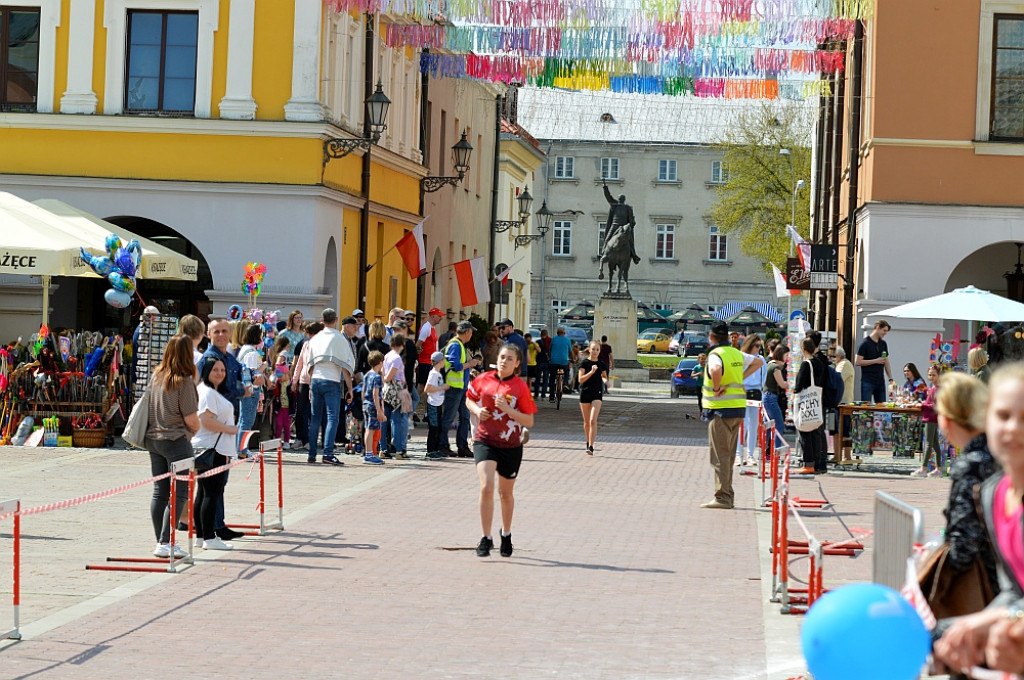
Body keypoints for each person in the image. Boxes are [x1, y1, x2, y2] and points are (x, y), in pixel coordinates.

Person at [932, 364, 1024, 675]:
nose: (1012, 428)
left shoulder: (976, 475)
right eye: (1002, 416)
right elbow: (1014, 590)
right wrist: (972, 624)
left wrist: (1001, 622)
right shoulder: (993, 492)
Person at [465, 343, 537, 557]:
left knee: (505, 493)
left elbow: (529, 420)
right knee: (486, 486)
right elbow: (470, 398)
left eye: (509, 358)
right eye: (502, 356)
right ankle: (486, 538)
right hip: (485, 440)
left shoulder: (520, 387)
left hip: (511, 444)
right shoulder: (483, 379)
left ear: (517, 364)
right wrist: (478, 410)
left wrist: (508, 410)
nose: (503, 361)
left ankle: (506, 534)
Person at [934, 371, 1000, 598]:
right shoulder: (1000, 455)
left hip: (987, 591)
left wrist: (930, 562)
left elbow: (963, 550)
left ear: (946, 418)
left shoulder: (970, 466)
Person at [144, 334, 199, 558]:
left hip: (153, 439)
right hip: (176, 440)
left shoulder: (157, 376)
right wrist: (194, 430)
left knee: (160, 493)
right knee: (180, 493)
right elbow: (191, 418)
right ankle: (166, 541)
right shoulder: (183, 381)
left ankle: (162, 541)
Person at [700, 321, 763, 510]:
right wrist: (739, 377)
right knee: (727, 453)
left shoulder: (715, 355)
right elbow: (758, 362)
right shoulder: (736, 353)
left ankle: (723, 497)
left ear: (711, 337)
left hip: (720, 410)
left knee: (720, 456)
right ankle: (728, 494)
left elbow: (715, 370)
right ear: (728, 337)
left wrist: (717, 387)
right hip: (737, 409)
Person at [190, 358, 240, 550]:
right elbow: (206, 421)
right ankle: (209, 537)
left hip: (208, 447)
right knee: (211, 492)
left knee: (203, 492)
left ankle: (202, 536)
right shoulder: (208, 393)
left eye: (222, 370)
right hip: (213, 449)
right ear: (206, 371)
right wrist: (231, 430)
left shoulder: (206, 391)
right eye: (215, 370)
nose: (220, 373)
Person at [305, 308, 354, 466]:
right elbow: (346, 367)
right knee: (333, 418)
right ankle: (327, 453)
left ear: (322, 320)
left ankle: (312, 454)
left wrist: (312, 386)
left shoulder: (315, 339)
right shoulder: (340, 338)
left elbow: (310, 365)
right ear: (336, 319)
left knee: (315, 419)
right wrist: (350, 389)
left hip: (316, 380)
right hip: (332, 381)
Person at [441, 321, 481, 457]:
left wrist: (468, 369)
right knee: (449, 417)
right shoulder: (455, 345)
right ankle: (443, 445)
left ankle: (462, 446)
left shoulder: (460, 345)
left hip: (461, 387)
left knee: (465, 417)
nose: (472, 334)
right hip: (454, 387)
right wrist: (470, 364)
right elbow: (455, 366)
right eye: (471, 332)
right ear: (466, 332)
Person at [794, 336, 829, 475]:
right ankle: (819, 463)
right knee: (816, 432)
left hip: (806, 401)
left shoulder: (806, 364)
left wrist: (794, 392)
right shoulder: (820, 363)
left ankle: (808, 463)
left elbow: (799, 385)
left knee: (804, 430)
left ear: (803, 349)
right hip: (818, 400)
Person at [235, 323, 267, 452]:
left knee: (243, 419)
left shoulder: (245, 349)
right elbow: (252, 374)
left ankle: (240, 448)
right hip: (251, 390)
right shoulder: (252, 353)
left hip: (246, 389)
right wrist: (263, 366)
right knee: (247, 420)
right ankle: (242, 450)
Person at [289, 321, 320, 451]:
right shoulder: (305, 344)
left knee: (312, 413)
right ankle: (300, 438)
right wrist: (294, 380)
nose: (307, 335)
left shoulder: (320, 346)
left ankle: (309, 440)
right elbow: (299, 363)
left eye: (309, 333)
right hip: (303, 381)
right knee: (300, 412)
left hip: (314, 382)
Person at [736, 334, 766, 467]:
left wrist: (761, 392)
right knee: (742, 425)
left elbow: (763, 377)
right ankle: (738, 454)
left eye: (760, 346)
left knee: (753, 425)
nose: (759, 349)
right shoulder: (742, 357)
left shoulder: (761, 360)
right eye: (757, 346)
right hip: (742, 392)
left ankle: (750, 454)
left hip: (756, 393)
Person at [380, 333, 410, 460]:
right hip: (396, 391)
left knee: (384, 421)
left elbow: (382, 372)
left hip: (386, 391)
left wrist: (384, 380)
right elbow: (389, 375)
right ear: (401, 344)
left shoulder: (387, 356)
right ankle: (398, 450)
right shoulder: (397, 358)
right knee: (396, 420)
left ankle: (383, 448)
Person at [911, 364, 944, 477]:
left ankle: (923, 468)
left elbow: (935, 405)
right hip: (932, 417)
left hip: (931, 417)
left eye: (933, 375)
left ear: (939, 376)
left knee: (929, 443)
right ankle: (938, 468)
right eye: (929, 375)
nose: (931, 377)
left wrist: (922, 405)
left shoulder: (937, 389)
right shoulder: (933, 388)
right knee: (935, 444)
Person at [578, 340, 609, 455]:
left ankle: (591, 446)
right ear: (589, 349)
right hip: (585, 392)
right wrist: (591, 372)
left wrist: (606, 382)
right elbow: (580, 380)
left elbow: (604, 376)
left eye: (597, 349)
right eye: (593, 349)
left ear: (599, 351)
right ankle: (587, 441)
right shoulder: (584, 363)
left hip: (597, 393)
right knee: (586, 422)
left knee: (592, 420)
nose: (595, 351)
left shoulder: (602, 364)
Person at [600, 179, 640, 265]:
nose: (620, 200)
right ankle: (603, 253)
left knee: (630, 241)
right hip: (615, 225)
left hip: (623, 227)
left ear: (623, 200)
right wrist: (604, 186)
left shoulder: (628, 208)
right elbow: (608, 196)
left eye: (621, 199)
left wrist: (632, 223)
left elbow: (631, 219)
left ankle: (634, 255)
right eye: (620, 198)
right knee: (607, 238)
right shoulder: (614, 205)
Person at [416, 307, 444, 418]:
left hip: (430, 362)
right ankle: (412, 410)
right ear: (432, 316)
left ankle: (428, 413)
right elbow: (418, 344)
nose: (441, 318)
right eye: (439, 316)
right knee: (422, 387)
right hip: (425, 362)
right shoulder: (426, 328)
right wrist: (418, 357)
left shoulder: (431, 328)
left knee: (427, 388)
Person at [855, 319, 892, 402]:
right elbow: (858, 361)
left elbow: (886, 361)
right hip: (868, 381)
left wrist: (890, 378)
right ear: (877, 328)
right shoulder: (865, 343)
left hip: (880, 381)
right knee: (866, 407)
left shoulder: (883, 344)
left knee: (881, 407)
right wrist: (875, 361)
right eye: (884, 330)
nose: (885, 333)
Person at [360, 351, 386, 465]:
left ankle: (368, 453)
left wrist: (363, 403)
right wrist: (379, 410)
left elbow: (363, 390)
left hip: (366, 404)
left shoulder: (367, 375)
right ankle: (369, 454)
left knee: (368, 429)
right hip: (372, 405)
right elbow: (376, 394)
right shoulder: (377, 377)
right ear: (380, 363)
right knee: (371, 430)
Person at [762, 345, 789, 450]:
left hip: (766, 397)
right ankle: (776, 450)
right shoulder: (775, 368)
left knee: (768, 426)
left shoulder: (769, 365)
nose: (787, 358)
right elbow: (782, 384)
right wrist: (792, 384)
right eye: (786, 355)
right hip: (771, 398)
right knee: (779, 425)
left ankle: (764, 451)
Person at [267, 336, 292, 448]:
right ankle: (277, 442)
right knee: (279, 424)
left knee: (286, 425)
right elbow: (279, 366)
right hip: (280, 407)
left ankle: (286, 441)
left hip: (288, 408)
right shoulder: (284, 353)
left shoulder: (289, 384)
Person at [424, 350, 449, 460]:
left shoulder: (438, 373)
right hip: (433, 404)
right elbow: (427, 389)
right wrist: (441, 388)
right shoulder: (433, 374)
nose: (444, 362)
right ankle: (430, 451)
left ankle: (436, 449)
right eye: (443, 360)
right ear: (439, 361)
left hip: (438, 403)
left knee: (438, 427)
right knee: (433, 428)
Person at [833, 346, 855, 463]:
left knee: (845, 430)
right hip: (839, 402)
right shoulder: (841, 364)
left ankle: (847, 456)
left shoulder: (844, 364)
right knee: (836, 431)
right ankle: (837, 455)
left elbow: (837, 378)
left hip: (844, 403)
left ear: (838, 356)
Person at [547, 326, 572, 402]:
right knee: (567, 371)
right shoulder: (567, 340)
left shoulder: (554, 339)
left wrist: (549, 358)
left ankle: (551, 396)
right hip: (564, 362)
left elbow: (549, 350)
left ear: (557, 333)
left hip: (553, 362)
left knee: (552, 378)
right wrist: (573, 359)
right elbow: (570, 352)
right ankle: (565, 383)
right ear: (564, 333)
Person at [535, 329, 551, 399]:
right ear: (547, 334)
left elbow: (536, 352)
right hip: (547, 362)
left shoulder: (537, 342)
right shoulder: (550, 341)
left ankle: (536, 394)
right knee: (545, 379)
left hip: (539, 362)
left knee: (537, 379)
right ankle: (543, 395)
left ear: (541, 335)